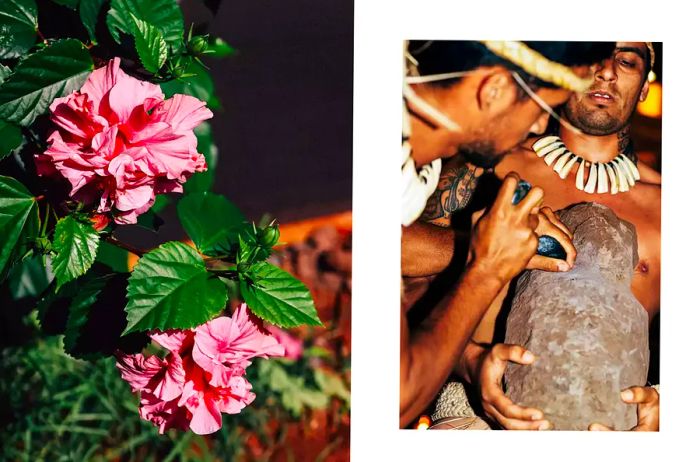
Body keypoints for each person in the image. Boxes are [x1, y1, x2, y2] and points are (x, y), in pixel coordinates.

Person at [433, 42, 660, 431]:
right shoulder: (490, 166)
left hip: (611, 428)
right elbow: (402, 282)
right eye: (596, 53)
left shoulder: (671, 206)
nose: (606, 70)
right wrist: (470, 360)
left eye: (625, 60)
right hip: (476, 418)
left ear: (643, 88)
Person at [399, 40, 615, 428]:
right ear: (494, 90)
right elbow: (397, 398)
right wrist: (489, 266)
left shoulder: (412, 168)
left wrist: (471, 358)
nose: (537, 126)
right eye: (542, 108)